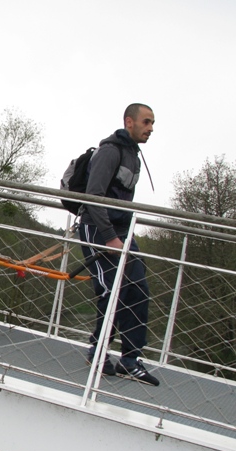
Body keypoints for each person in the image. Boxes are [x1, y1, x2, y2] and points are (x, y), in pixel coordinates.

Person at [80, 103, 159, 386]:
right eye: (147, 122)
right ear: (129, 122)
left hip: (123, 233)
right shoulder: (110, 151)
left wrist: (122, 236)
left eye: (152, 123)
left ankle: (130, 360)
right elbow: (94, 196)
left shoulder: (133, 156)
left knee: (137, 289)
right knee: (112, 291)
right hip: (98, 229)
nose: (151, 128)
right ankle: (97, 353)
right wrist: (110, 236)